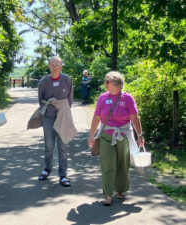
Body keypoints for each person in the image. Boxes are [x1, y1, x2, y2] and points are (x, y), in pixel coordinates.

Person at [88, 71, 145, 206]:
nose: (105, 84)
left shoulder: (127, 98)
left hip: (123, 135)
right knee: (108, 165)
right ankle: (108, 194)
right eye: (105, 81)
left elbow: (134, 118)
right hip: (106, 135)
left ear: (117, 84)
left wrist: (140, 135)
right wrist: (92, 135)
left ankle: (120, 190)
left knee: (122, 164)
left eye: (107, 81)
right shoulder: (102, 98)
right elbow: (97, 118)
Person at [38, 56, 74, 187]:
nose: (55, 67)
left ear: (61, 66)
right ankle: (47, 169)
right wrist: (49, 108)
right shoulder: (43, 81)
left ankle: (63, 175)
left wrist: (64, 110)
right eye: (52, 65)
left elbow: (70, 98)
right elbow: (40, 100)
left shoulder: (67, 79)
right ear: (48, 66)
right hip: (49, 116)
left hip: (63, 115)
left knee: (63, 146)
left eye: (57, 64)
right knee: (49, 145)